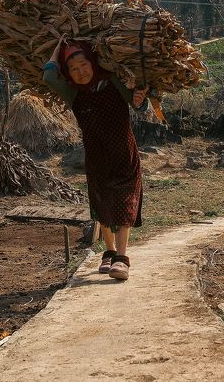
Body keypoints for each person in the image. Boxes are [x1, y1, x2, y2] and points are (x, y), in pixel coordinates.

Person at [43, 41, 149, 281]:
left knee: (124, 204)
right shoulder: (73, 93)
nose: (81, 72)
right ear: (68, 73)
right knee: (102, 207)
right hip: (96, 158)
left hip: (125, 155)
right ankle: (109, 252)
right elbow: (49, 76)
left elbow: (137, 104)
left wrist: (141, 100)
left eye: (84, 64)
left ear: (93, 62)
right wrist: (59, 46)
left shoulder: (114, 82)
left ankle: (121, 260)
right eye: (73, 68)